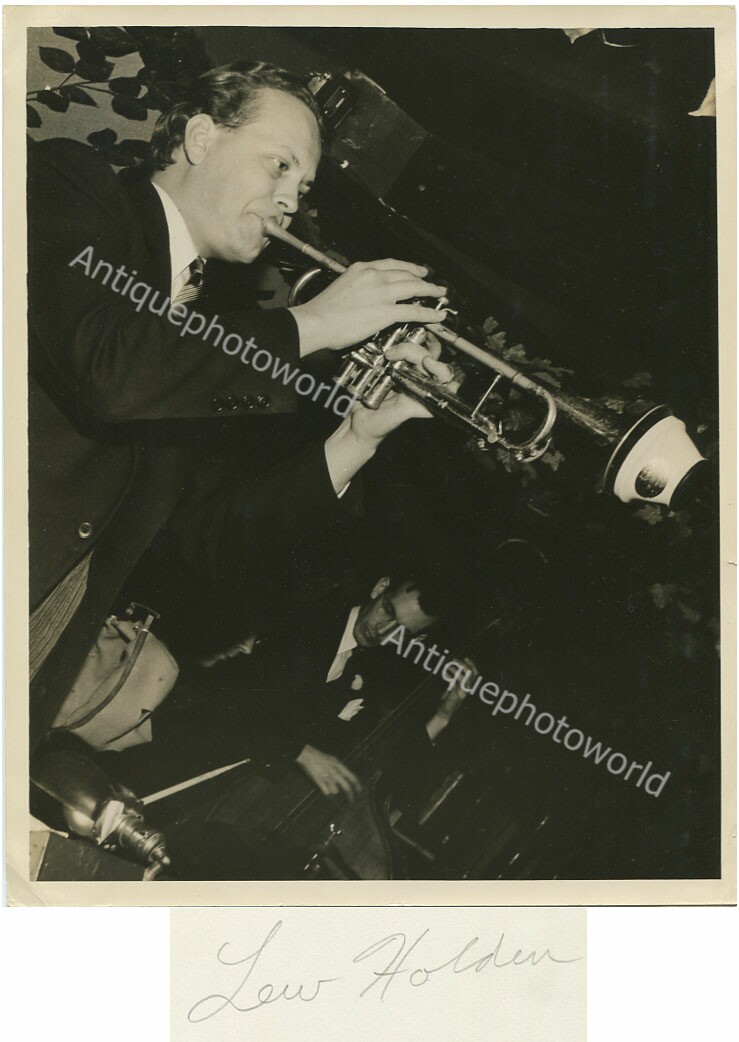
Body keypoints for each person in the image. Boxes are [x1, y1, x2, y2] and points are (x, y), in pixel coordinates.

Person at [28, 60, 452, 751]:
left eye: (303, 186)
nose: (291, 200)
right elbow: (103, 366)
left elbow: (201, 543)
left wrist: (357, 436)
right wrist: (310, 325)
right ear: (200, 137)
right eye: (278, 166)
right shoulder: (73, 183)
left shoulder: (208, 340)